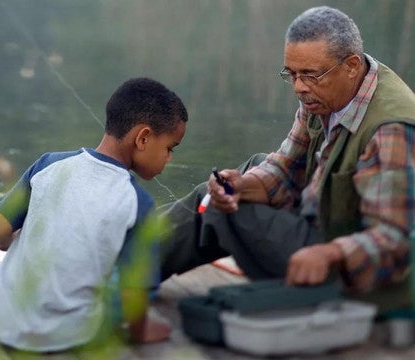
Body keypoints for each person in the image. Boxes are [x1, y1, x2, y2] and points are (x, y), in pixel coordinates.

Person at [160, 6, 415, 314]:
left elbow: (395, 242)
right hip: (322, 217)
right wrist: (245, 185)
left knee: (217, 207)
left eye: (308, 75)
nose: (298, 87)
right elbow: (288, 164)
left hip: (350, 276)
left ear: (351, 65)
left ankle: (125, 260)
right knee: (242, 176)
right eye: (291, 74)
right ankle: (129, 242)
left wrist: (329, 254)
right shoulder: (326, 89)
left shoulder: (390, 130)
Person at [0, 77, 188, 352]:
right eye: (169, 148)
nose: (169, 158)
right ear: (143, 138)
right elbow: (134, 293)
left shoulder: (49, 164)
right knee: (142, 283)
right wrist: (142, 331)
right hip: (72, 334)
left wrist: (6, 242)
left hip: (3, 322)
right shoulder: (139, 203)